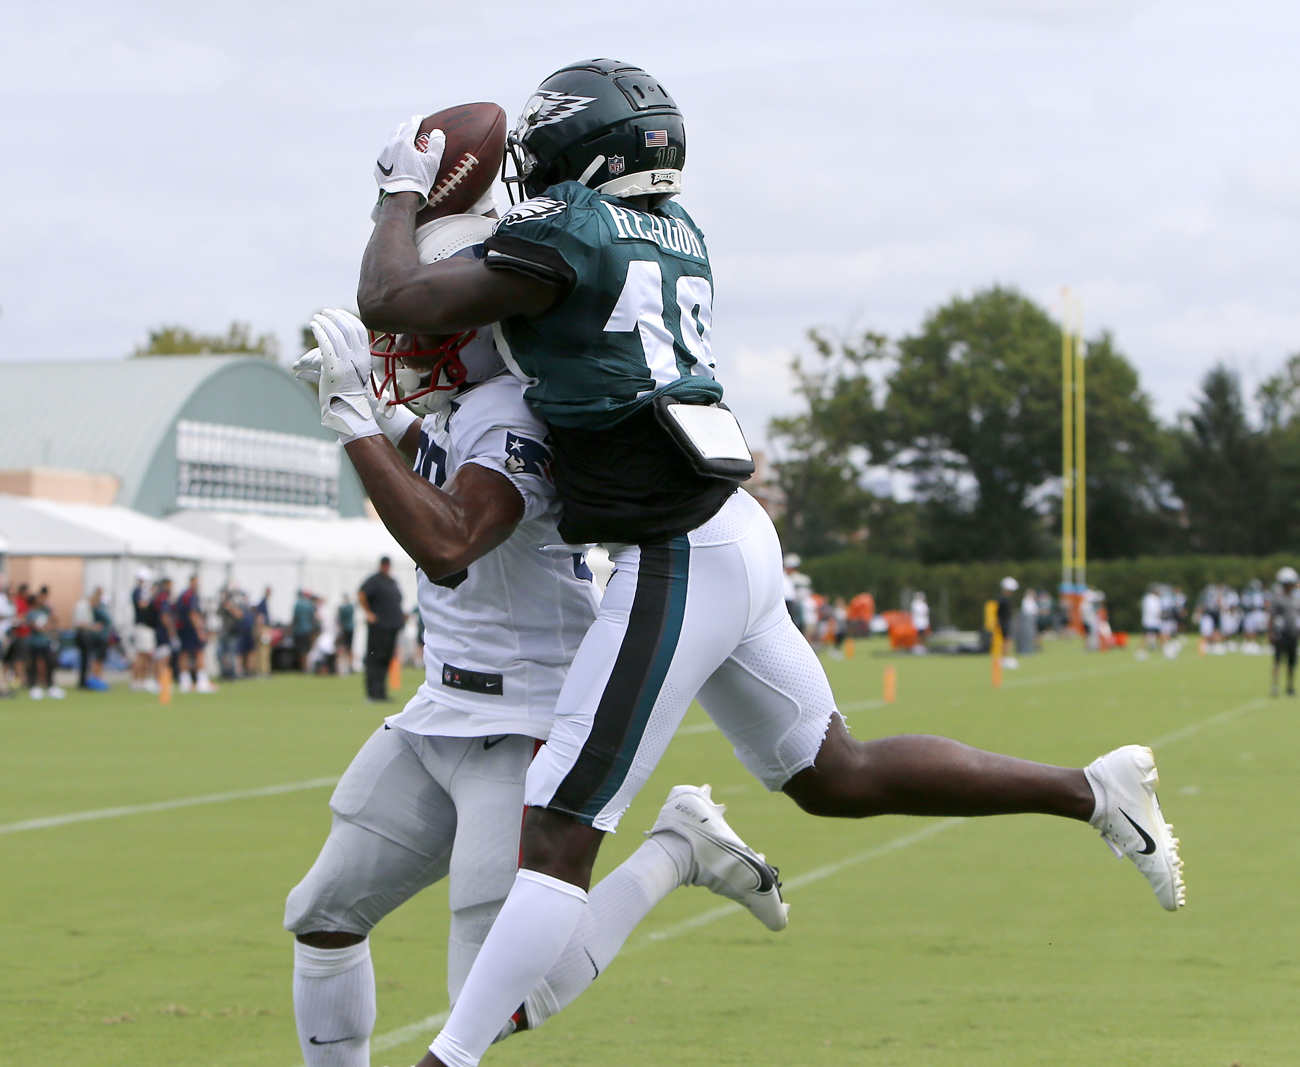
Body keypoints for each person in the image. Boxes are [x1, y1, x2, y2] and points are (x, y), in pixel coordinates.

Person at [353, 62, 1184, 1067]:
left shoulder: (570, 228)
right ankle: (1088, 789)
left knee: (561, 828)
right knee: (835, 774)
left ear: (584, 152)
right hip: (731, 531)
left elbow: (389, 292)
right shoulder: (677, 229)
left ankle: (449, 1055)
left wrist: (404, 188)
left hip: (681, 550)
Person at [288, 214, 783, 1067]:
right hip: (442, 706)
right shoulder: (467, 409)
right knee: (324, 911)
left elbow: (450, 541)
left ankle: (678, 851)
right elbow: (440, 454)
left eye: (428, 325)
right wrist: (379, 417)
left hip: (523, 719)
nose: (408, 343)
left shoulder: (513, 408)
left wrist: (353, 422)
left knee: (509, 996)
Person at [357, 559, 404, 701]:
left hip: (392, 627)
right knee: (375, 659)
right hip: (379, 627)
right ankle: (373, 693)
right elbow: (361, 594)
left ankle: (381, 692)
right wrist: (368, 613)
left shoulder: (391, 581)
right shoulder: (374, 581)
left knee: (385, 659)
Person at [176, 575, 216, 693]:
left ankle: (185, 681)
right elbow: (193, 614)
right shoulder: (190, 595)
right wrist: (200, 630)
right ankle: (201, 681)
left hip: (183, 628)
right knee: (199, 652)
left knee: (184, 653)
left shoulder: (184, 595)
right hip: (190, 629)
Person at [26, 588, 64, 699]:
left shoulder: (46, 611)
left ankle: (50, 686)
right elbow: (35, 626)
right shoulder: (31, 613)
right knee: (35, 664)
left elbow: (54, 621)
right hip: (35, 643)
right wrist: (46, 628)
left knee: (50, 663)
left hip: (45, 642)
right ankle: (34, 686)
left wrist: (51, 612)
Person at [73, 587, 112, 691]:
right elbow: (80, 624)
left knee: (87, 659)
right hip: (83, 635)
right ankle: (82, 682)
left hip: (87, 634)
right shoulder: (82, 606)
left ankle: (85, 680)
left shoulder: (90, 607)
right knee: (85, 659)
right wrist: (93, 627)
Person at [1269, 566, 1299, 697]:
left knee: (1292, 661)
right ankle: (1275, 685)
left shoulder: (1296, 599)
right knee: (1278, 660)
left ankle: (1290, 686)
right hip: (1280, 633)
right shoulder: (1278, 599)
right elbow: (1272, 617)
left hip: (1293, 633)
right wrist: (1270, 632)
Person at [130, 570, 158, 692]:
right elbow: (142, 605)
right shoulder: (138, 591)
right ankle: (136, 680)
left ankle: (143, 680)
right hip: (142, 627)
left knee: (147, 655)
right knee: (142, 654)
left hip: (148, 627)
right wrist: (151, 596)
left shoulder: (143, 591)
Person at [291, 590, 320, 673]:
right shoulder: (309, 605)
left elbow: (295, 618)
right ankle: (306, 666)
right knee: (306, 650)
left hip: (299, 630)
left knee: (301, 650)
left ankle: (303, 667)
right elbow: (313, 618)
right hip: (308, 630)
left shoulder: (297, 605)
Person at [997, 576, 1019, 669]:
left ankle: (1005, 658)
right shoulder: (1003, 599)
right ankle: (1004, 658)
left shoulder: (1003, 598)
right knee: (1007, 640)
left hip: (1004, 622)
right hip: (1004, 622)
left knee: (1007, 640)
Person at [335, 596, 355, 675]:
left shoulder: (343, 609)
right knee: (349, 648)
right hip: (350, 629)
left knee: (343, 648)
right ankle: (349, 665)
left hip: (344, 629)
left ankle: (344, 667)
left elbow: (339, 619)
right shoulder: (351, 607)